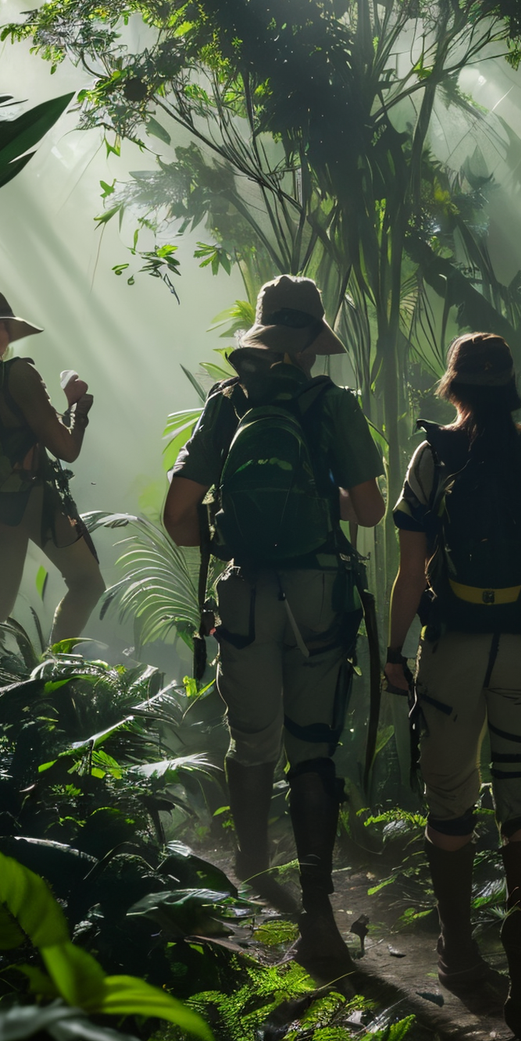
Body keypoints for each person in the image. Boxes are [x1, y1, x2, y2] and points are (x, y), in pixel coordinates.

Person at [162, 275, 384, 973]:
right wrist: (316, 510)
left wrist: (240, 526)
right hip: (320, 592)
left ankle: (256, 875)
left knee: (251, 740)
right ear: (313, 342)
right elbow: (371, 510)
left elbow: (177, 518)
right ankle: (319, 914)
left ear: (260, 337)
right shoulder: (332, 403)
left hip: (248, 593)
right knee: (312, 749)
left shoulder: (227, 402)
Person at [386, 334, 521, 1037]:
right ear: (510, 389)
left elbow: (412, 572)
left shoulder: (432, 456)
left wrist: (392, 650)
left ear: (456, 389)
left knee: (451, 800)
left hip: (453, 650)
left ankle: (459, 951)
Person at [0, 290, 106, 648]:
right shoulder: (17, 373)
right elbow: (67, 449)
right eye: (4, 327)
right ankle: (54, 672)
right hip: (30, 498)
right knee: (87, 583)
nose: (9, 335)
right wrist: (79, 410)